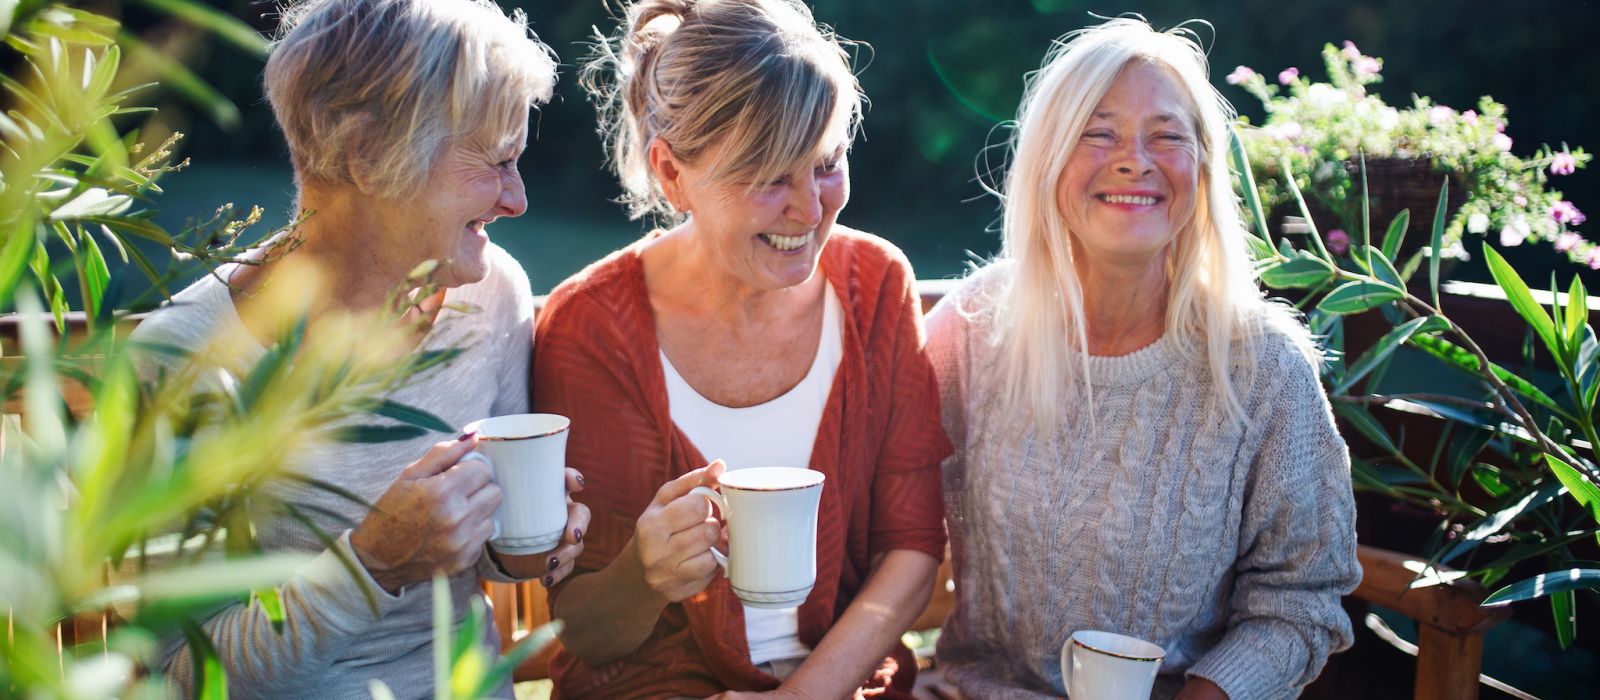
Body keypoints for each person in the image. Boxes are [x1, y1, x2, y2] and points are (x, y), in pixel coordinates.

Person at [128, 1, 587, 696]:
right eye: (496, 161)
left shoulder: (492, 292)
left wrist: (529, 532)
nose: (517, 199)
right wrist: (370, 566)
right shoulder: (187, 356)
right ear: (366, 155)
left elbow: (500, 566)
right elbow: (185, 676)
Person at [922, 17, 1362, 700]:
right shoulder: (972, 329)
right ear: (1046, 158)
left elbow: (1300, 603)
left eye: (1166, 136)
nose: (1134, 159)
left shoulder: (1265, 369)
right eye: (1098, 133)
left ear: (1203, 170)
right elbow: (885, 523)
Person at [531, 0, 949, 697]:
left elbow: (911, 548)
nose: (810, 211)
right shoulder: (590, 327)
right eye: (769, 177)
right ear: (671, 173)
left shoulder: (876, 286)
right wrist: (644, 572)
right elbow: (583, 633)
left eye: (826, 164)